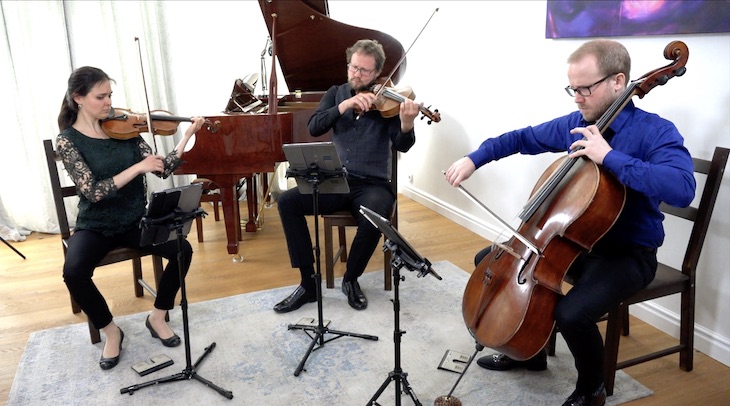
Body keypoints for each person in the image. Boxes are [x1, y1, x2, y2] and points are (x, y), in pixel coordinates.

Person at [445, 39, 695, 406]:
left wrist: (610, 157)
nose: (576, 98)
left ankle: (592, 389)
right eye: (572, 88)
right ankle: (528, 351)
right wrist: (474, 158)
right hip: (572, 242)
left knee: (572, 314)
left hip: (627, 254)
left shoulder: (655, 132)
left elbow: (682, 188)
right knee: (493, 260)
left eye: (584, 89)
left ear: (617, 81)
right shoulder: (578, 124)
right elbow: (521, 138)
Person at [56, 66, 205, 370]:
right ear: (79, 98)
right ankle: (111, 331)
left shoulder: (125, 130)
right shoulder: (68, 141)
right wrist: (138, 168)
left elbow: (162, 167)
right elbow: (93, 192)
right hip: (95, 226)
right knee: (73, 273)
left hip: (135, 221)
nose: (109, 102)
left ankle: (158, 315)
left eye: (110, 95)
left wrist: (187, 135)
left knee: (182, 249)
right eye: (101, 96)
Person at [274, 39, 419, 313]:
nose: (357, 75)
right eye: (354, 67)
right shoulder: (336, 93)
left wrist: (407, 123)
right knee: (287, 202)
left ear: (377, 74)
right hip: (336, 180)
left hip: (373, 184)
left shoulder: (387, 103)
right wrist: (345, 105)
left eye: (365, 71)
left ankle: (351, 279)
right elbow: (315, 126)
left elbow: (402, 145)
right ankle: (308, 284)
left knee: (375, 218)